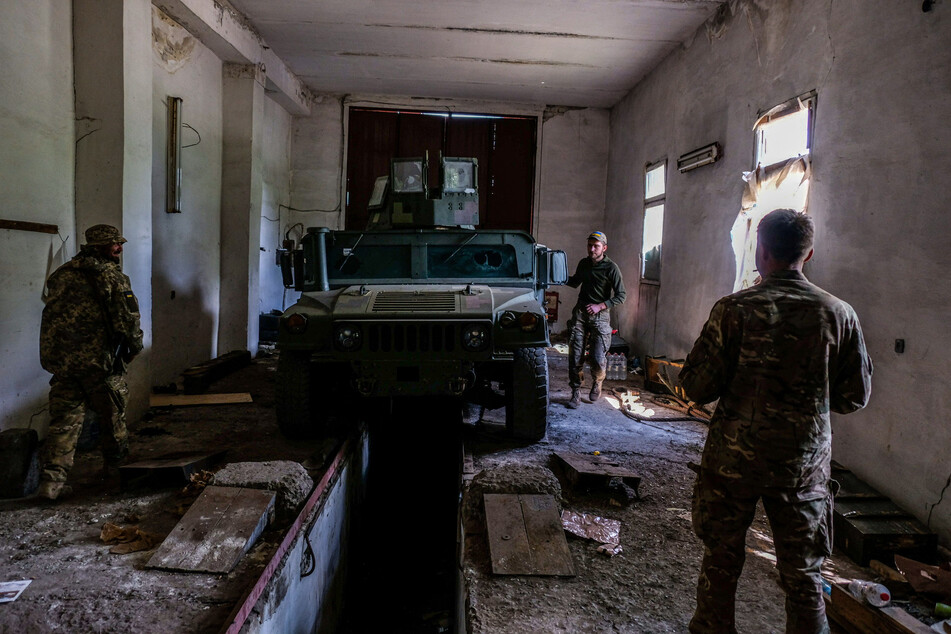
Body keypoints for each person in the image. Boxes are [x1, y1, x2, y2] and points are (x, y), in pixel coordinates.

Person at [679, 209, 873, 633]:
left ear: (761, 251)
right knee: (804, 574)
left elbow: (695, 386)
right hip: (801, 465)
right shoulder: (839, 314)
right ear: (809, 254)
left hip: (734, 460)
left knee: (722, 560)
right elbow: (854, 397)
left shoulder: (733, 310)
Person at [36, 224, 144, 501]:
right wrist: (134, 348)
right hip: (101, 364)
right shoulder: (112, 277)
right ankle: (116, 475)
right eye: (114, 244)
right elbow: (128, 319)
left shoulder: (60, 275)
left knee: (64, 423)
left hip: (65, 364)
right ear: (100, 247)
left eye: (119, 243)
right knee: (112, 420)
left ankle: (52, 483)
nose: (119, 248)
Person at [565, 231, 626, 409]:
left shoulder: (611, 268)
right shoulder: (584, 263)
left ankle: (597, 382)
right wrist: (558, 277)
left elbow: (621, 295)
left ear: (604, 248)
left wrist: (601, 305)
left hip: (600, 315)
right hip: (581, 313)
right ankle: (576, 392)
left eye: (596, 246)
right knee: (575, 355)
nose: (592, 249)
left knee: (598, 358)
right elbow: (575, 282)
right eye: (590, 245)